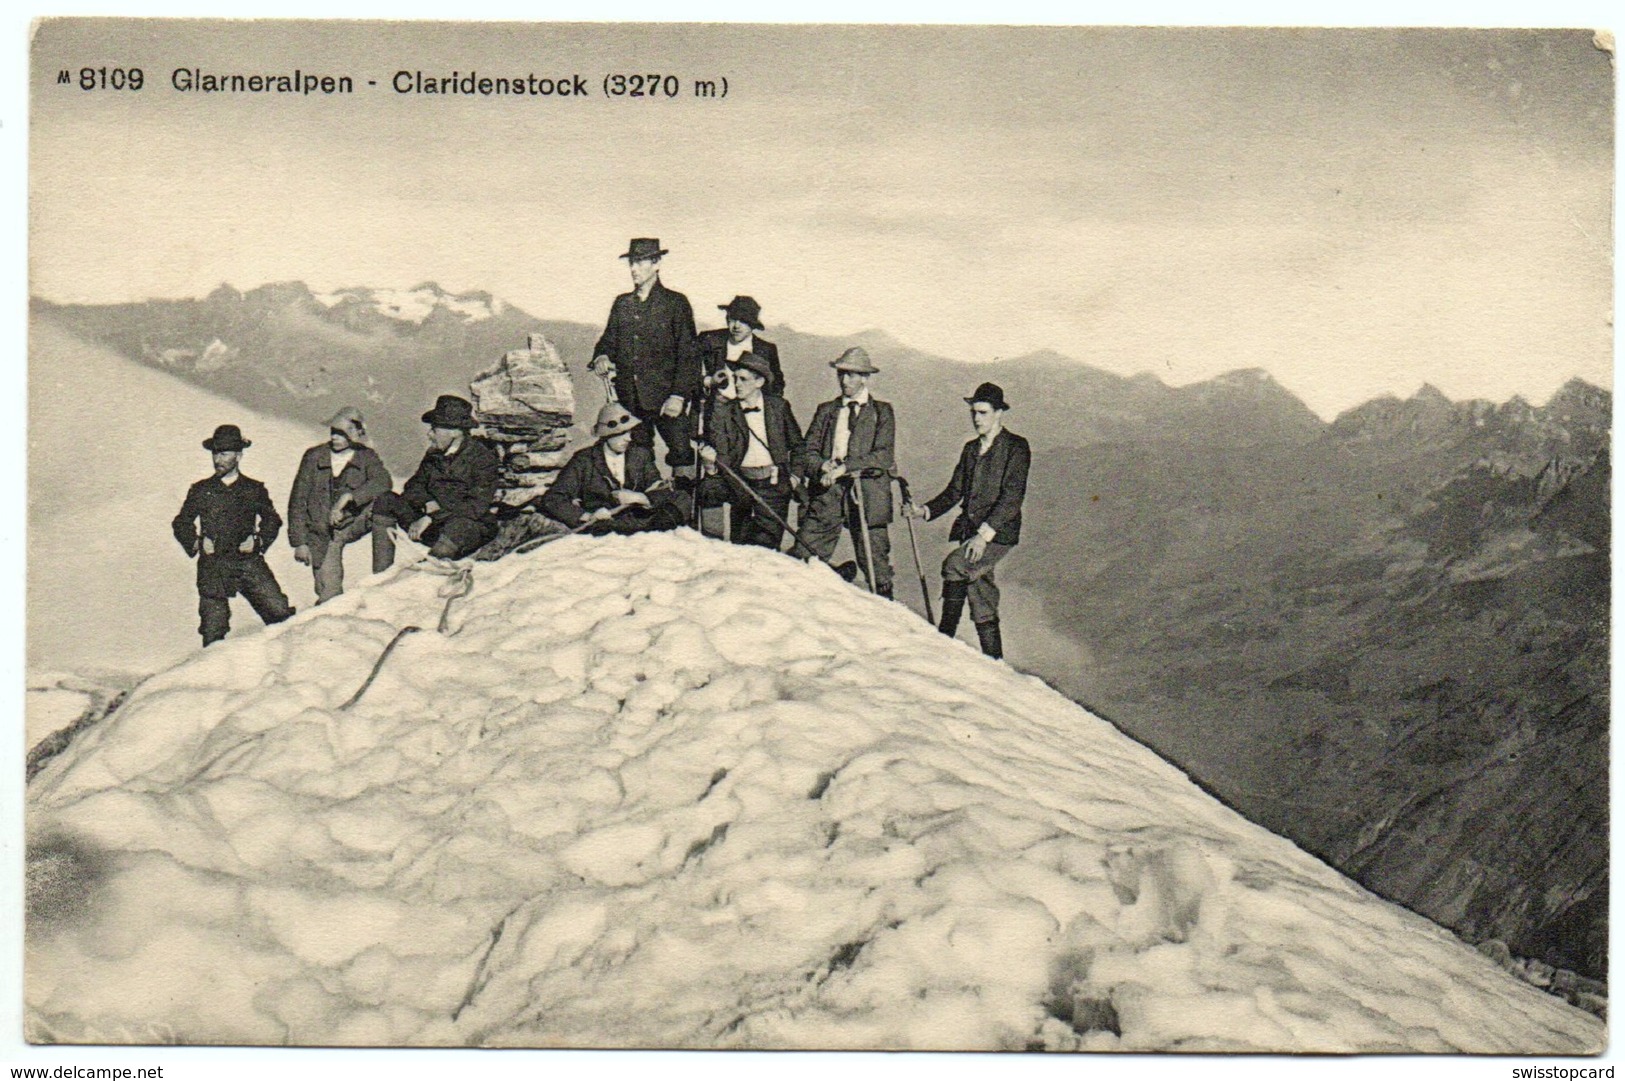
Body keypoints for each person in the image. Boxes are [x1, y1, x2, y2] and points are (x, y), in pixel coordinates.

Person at [904, 381, 1031, 659]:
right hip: (970, 533)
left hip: (997, 534)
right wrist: (923, 510)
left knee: (955, 566)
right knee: (980, 594)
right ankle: (995, 664)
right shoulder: (970, 449)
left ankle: (943, 640)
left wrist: (983, 537)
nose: (976, 419)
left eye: (983, 413)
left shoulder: (1016, 448)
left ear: (999, 413)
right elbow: (954, 491)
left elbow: (1012, 498)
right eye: (973, 412)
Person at [171, 424, 295, 647]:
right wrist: (198, 542)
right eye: (215, 453)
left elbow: (272, 520)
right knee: (213, 630)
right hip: (213, 566)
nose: (218, 459)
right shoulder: (201, 489)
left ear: (238, 455)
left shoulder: (253, 489)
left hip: (247, 562)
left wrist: (257, 541)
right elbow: (181, 522)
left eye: (224, 453)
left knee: (280, 613)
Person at [589, 237, 701, 474]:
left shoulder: (675, 303)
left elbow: (688, 355)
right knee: (638, 458)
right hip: (630, 401)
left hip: (667, 401)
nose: (633, 269)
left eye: (640, 262)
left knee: (682, 454)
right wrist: (602, 357)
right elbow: (607, 341)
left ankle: (685, 507)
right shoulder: (623, 304)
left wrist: (678, 396)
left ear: (656, 263)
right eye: (632, 262)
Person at [798, 347, 896, 596]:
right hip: (828, 494)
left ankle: (890, 626)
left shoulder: (882, 412)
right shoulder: (826, 411)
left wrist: (844, 468)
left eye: (852, 375)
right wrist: (821, 464)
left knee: (877, 570)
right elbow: (806, 452)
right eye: (841, 374)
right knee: (803, 557)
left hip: (867, 496)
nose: (844, 380)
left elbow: (883, 456)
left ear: (865, 377)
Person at [697, 351, 805, 550]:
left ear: (759, 382)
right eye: (735, 378)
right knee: (741, 545)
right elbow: (719, 444)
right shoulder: (726, 409)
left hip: (774, 486)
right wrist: (721, 402)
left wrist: (795, 477)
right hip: (740, 484)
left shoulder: (778, 407)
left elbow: (798, 446)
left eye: (743, 379)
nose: (736, 384)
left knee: (766, 547)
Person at [371, 395, 500, 561]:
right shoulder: (433, 455)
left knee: (460, 525)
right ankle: (382, 573)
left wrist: (432, 516)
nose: (429, 434)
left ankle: (431, 568)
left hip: (465, 529)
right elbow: (413, 486)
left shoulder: (482, 458)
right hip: (432, 524)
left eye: (434, 429)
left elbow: (475, 506)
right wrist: (426, 504)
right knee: (386, 500)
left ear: (454, 432)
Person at [287, 407, 393, 603]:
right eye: (333, 432)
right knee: (329, 596)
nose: (335, 437)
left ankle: (383, 576)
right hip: (323, 534)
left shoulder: (366, 456)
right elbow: (298, 500)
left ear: (354, 434)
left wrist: (351, 497)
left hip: (353, 523)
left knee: (386, 504)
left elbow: (383, 482)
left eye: (341, 433)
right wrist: (300, 542)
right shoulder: (313, 456)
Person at [540, 403, 687, 535]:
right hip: (605, 524)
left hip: (640, 521)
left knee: (682, 499)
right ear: (606, 435)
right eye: (621, 434)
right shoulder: (584, 460)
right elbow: (553, 498)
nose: (628, 438)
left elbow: (658, 488)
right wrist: (586, 516)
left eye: (629, 432)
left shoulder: (640, 455)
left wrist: (640, 498)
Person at [697, 295, 786, 403]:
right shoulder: (708, 340)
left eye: (743, 321)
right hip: (712, 409)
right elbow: (685, 372)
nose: (736, 326)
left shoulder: (766, 350)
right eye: (733, 319)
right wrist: (709, 382)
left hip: (747, 413)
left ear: (753, 325)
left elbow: (776, 387)